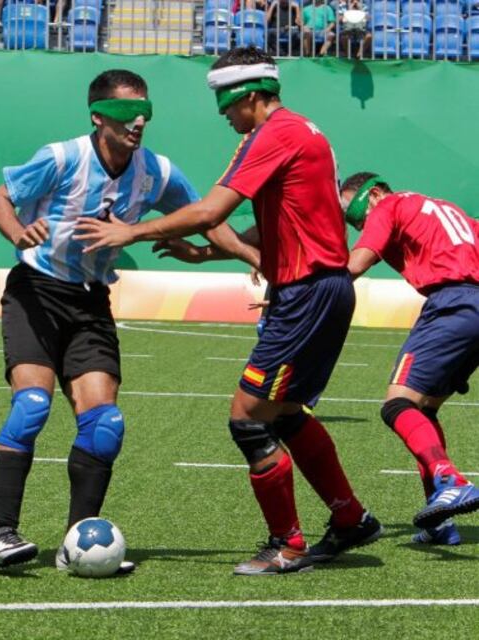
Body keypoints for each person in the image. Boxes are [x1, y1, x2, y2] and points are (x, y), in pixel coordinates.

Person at [76, 47, 381, 576]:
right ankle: (350, 518)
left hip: (306, 292)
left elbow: (212, 209)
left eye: (226, 103)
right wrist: (205, 252)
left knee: (246, 420)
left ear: (250, 95)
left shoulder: (272, 135)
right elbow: (280, 219)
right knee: (285, 413)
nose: (223, 114)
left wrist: (132, 230)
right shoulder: (306, 133)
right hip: (323, 288)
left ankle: (287, 545)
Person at [0, 69, 259, 573]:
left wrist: (248, 256)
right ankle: (2, 534)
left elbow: (206, 219)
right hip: (37, 293)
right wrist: (18, 232)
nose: (137, 122)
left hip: (91, 301)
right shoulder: (63, 157)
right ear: (97, 116)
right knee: (31, 407)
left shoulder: (156, 171)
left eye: (145, 113)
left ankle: (74, 545)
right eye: (124, 113)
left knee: (105, 425)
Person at [341, 172, 479, 545]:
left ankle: (451, 481)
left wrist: (301, 293)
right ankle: (439, 518)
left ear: (372, 195)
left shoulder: (387, 205)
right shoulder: (446, 210)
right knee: (425, 409)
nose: (358, 226)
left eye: (355, 217)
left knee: (397, 405)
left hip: (451, 304)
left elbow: (355, 264)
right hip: (474, 306)